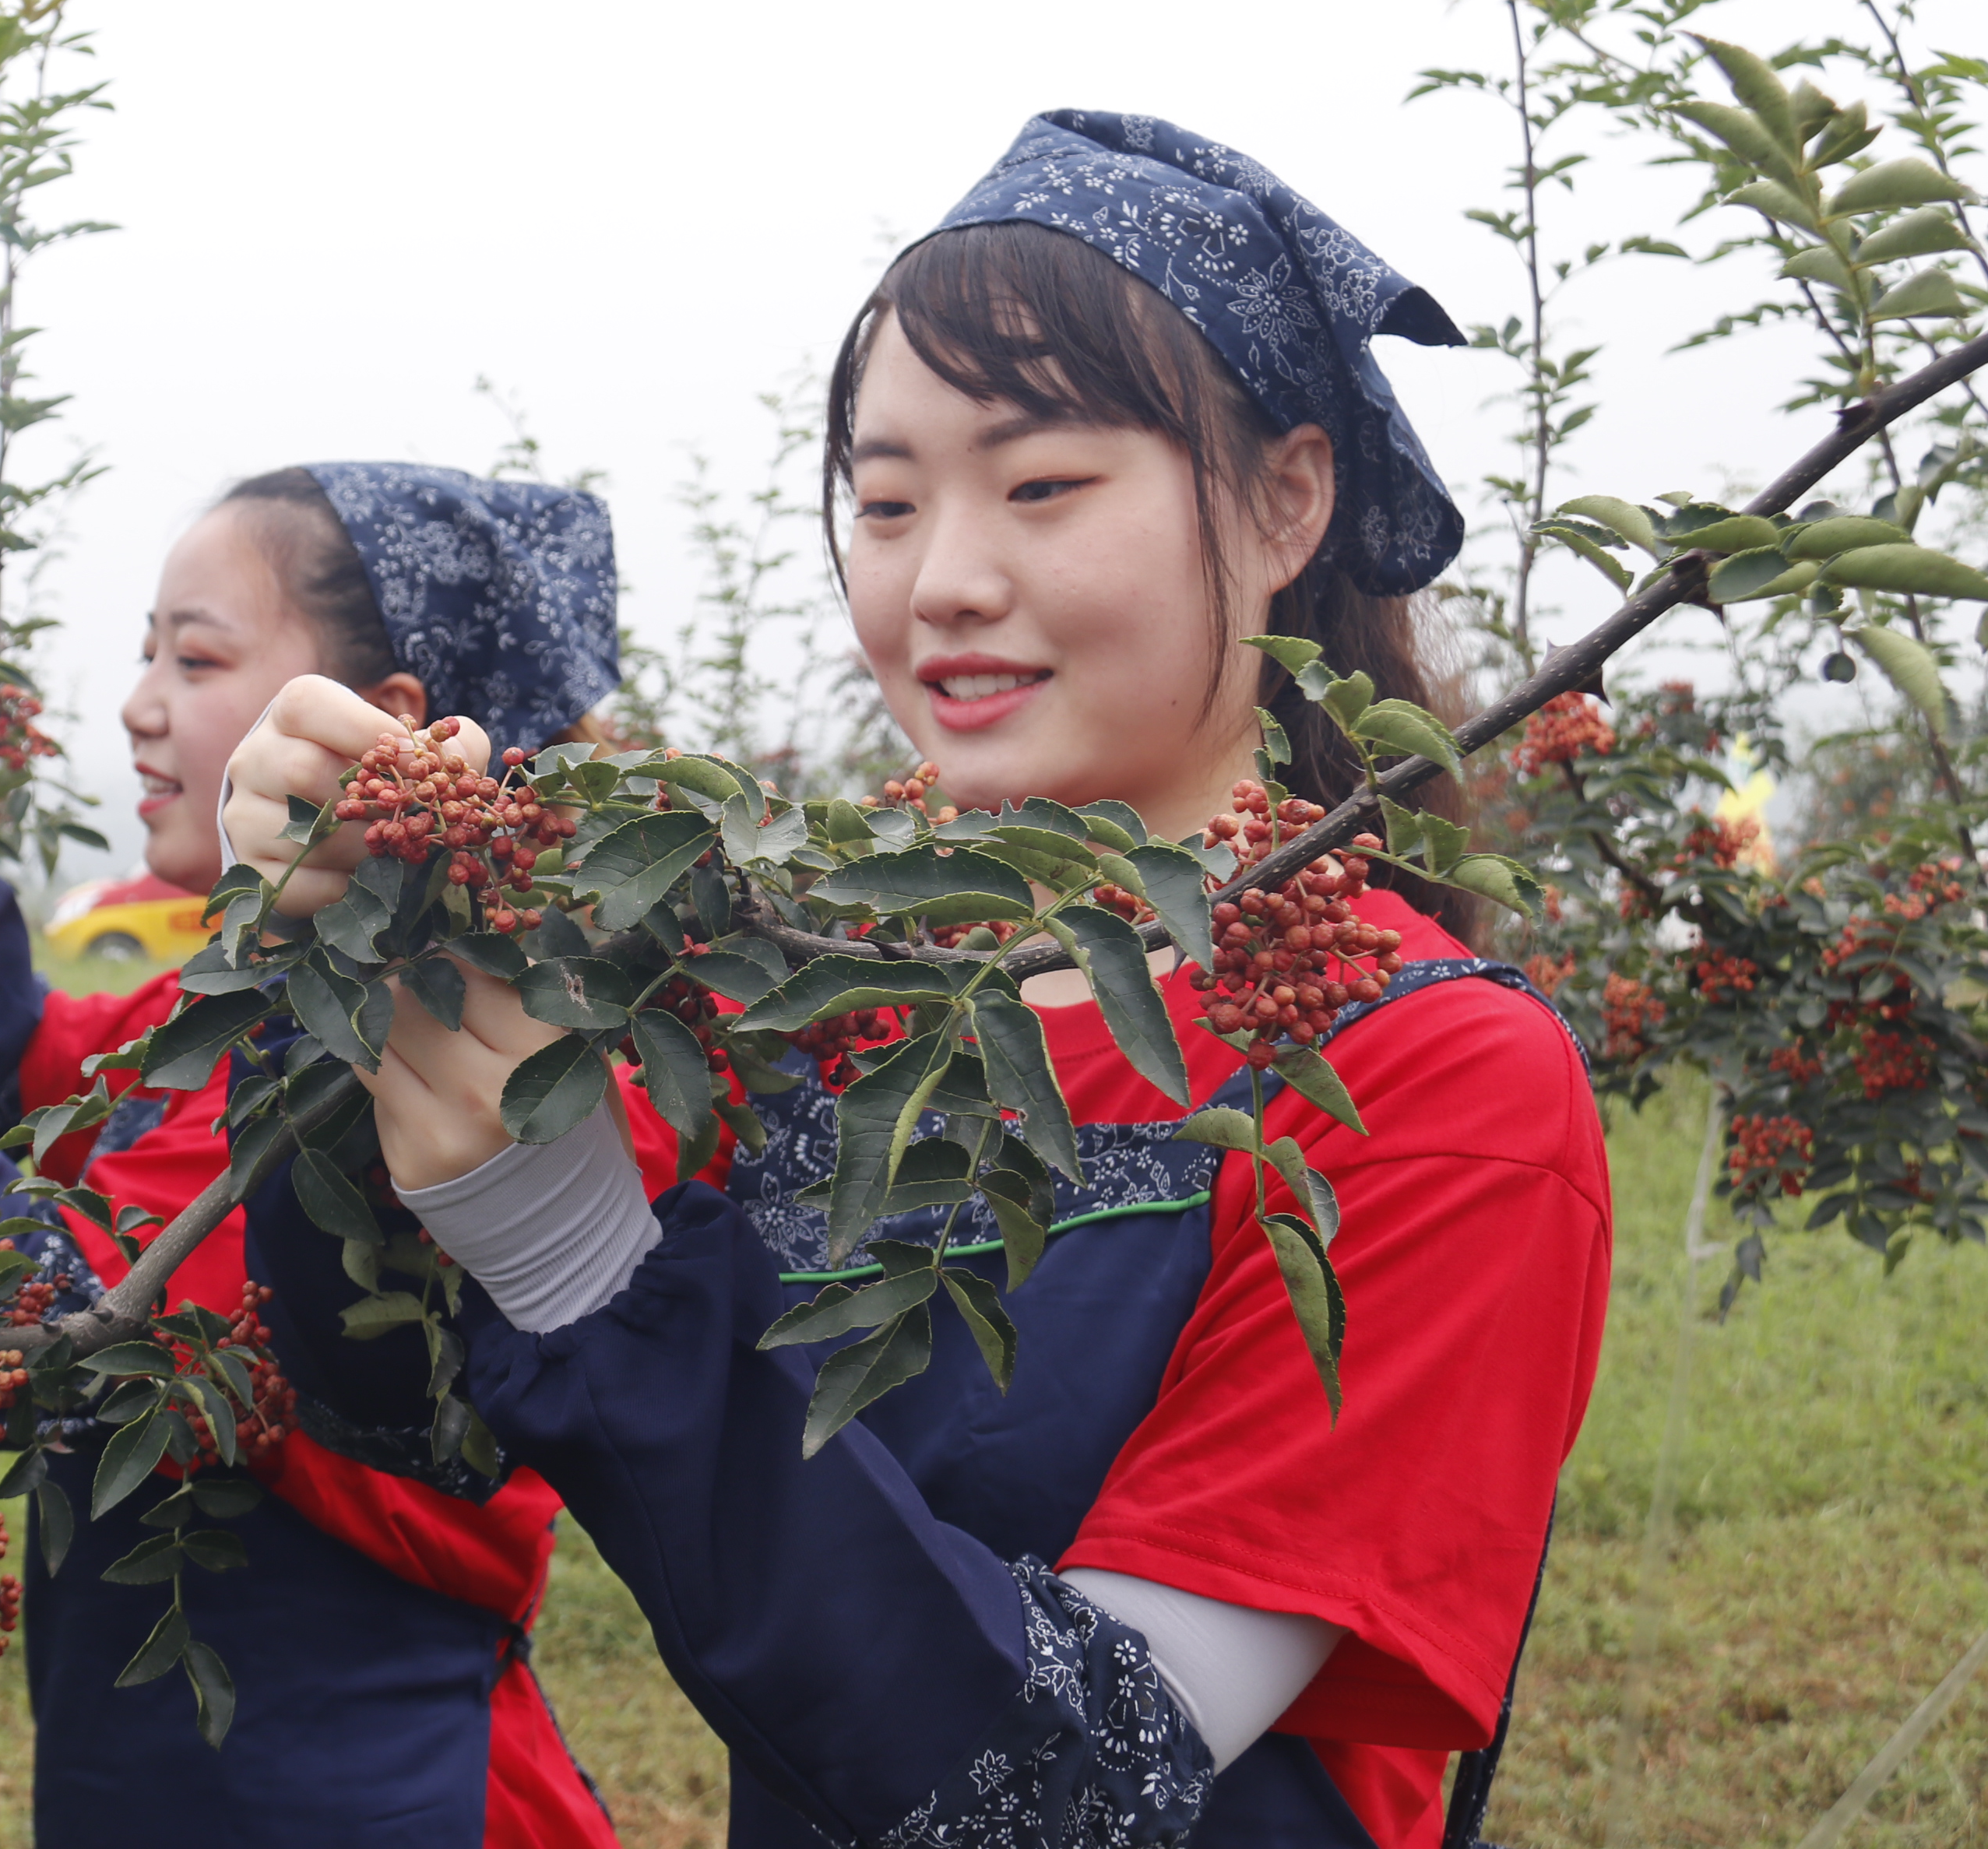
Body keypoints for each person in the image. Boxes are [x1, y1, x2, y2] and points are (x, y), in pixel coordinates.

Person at [222, 114, 1611, 1849]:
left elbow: (1075, 1798)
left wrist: (596, 1272)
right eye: (885, 502)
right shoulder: (837, 989)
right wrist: (349, 974)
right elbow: (400, 1408)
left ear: (1286, 500)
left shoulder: (1435, 1080)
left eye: (1041, 485)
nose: (940, 579)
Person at [0, 462, 698, 1849]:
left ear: (377, 735)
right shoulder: (238, 1008)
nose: (139, 699)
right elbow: (39, 1072)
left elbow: (48, 1331)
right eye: (146, 648)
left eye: (193, 655)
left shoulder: (426, 1082)